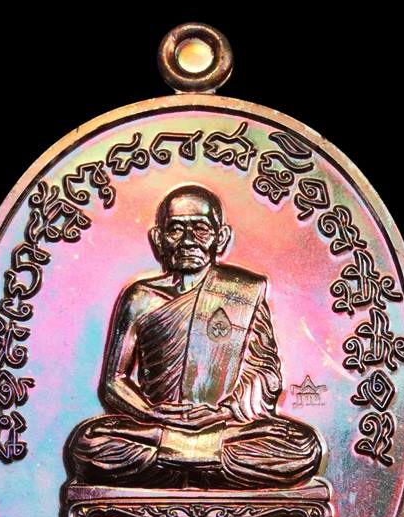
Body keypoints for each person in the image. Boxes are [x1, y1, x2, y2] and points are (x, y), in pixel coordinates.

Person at [64, 184, 324, 489]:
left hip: (220, 427)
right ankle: (201, 462)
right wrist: (153, 414)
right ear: (158, 238)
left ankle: (180, 460)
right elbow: (113, 382)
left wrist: (222, 413)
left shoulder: (243, 292)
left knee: (303, 447)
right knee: (89, 444)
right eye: (176, 229)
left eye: (201, 229)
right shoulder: (140, 298)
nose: (188, 240)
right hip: (158, 426)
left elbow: (264, 374)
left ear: (221, 237)